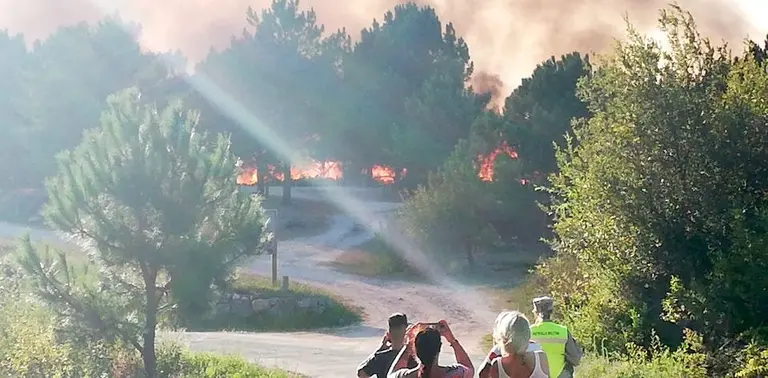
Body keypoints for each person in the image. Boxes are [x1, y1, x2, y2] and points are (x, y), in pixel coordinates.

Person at [387, 320, 473, 378]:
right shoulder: (454, 374)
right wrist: (452, 340)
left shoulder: (405, 376)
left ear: (415, 350)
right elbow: (469, 369)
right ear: (439, 348)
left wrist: (408, 345)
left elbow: (390, 375)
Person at [479, 311, 549, 378]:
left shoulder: (498, 364)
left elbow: (481, 373)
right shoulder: (541, 357)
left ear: (503, 339)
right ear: (527, 335)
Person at [529, 296, 583, 378]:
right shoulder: (563, 331)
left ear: (535, 312)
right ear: (551, 312)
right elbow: (575, 359)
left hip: (536, 375)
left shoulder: (528, 332)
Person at [357, 313, 418, 377]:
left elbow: (361, 373)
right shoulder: (414, 358)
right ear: (407, 333)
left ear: (388, 335)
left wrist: (379, 349)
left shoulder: (380, 357)